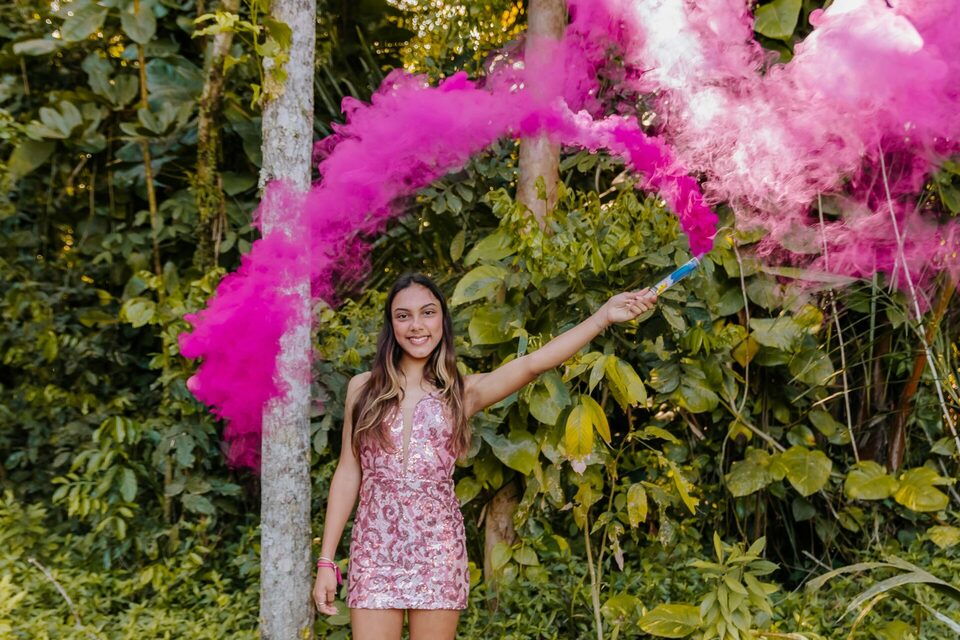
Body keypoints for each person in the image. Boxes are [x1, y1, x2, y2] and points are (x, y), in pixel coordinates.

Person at [313, 272, 657, 640]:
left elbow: (534, 364)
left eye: (427, 313)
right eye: (403, 315)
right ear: (391, 325)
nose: (416, 325)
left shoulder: (463, 392)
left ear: (442, 321)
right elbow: (348, 472)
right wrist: (326, 561)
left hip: (437, 550)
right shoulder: (362, 389)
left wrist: (603, 317)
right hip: (375, 549)